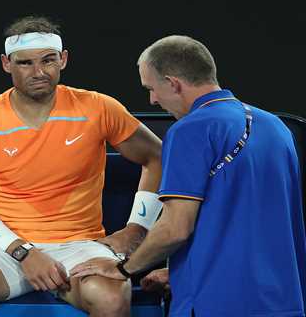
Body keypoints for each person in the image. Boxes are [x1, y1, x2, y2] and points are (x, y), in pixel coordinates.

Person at [0, 16, 163, 317]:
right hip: (6, 248)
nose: (39, 72)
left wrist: (137, 230)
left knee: (112, 296)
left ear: (63, 59)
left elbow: (156, 156)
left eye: (48, 60)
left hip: (80, 246)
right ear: (5, 64)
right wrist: (23, 252)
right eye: (25, 63)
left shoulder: (98, 107)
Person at [70, 35, 306, 317]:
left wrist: (123, 268)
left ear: (173, 83)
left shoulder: (190, 130)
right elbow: (251, 218)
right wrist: (178, 272)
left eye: (152, 89)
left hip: (216, 304)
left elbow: (175, 229)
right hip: (284, 301)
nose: (152, 99)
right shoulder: (277, 127)